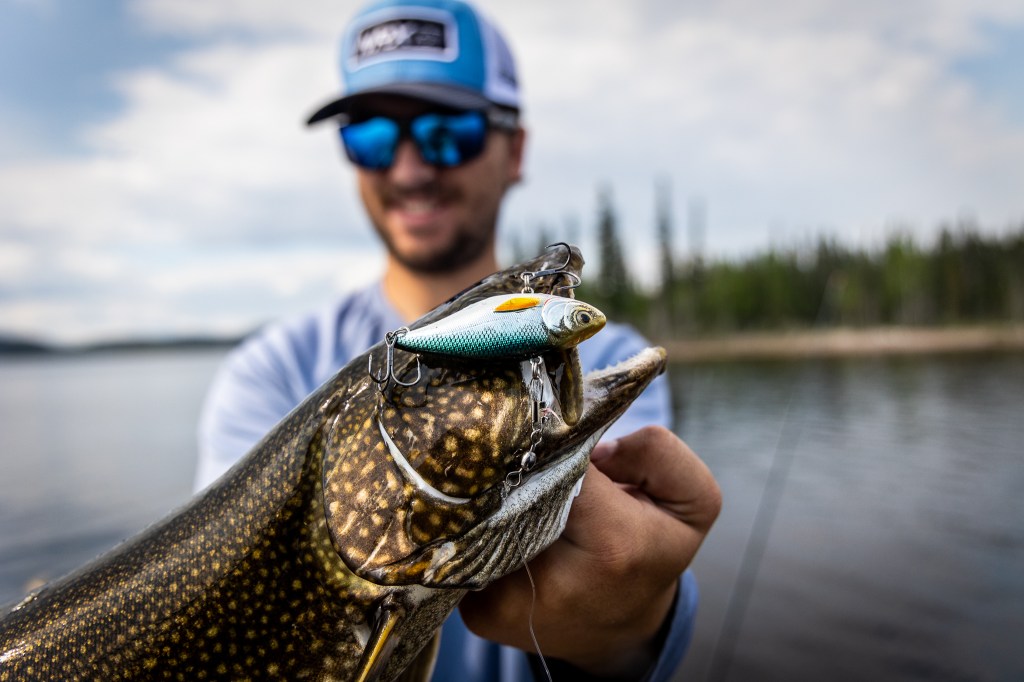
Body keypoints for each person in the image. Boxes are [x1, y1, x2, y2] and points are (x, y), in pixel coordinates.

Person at [195, 0, 721, 679]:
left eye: (448, 133)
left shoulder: (599, 353)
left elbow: (623, 605)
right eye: (371, 137)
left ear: (515, 150)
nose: (409, 169)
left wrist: (638, 624)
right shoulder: (269, 374)